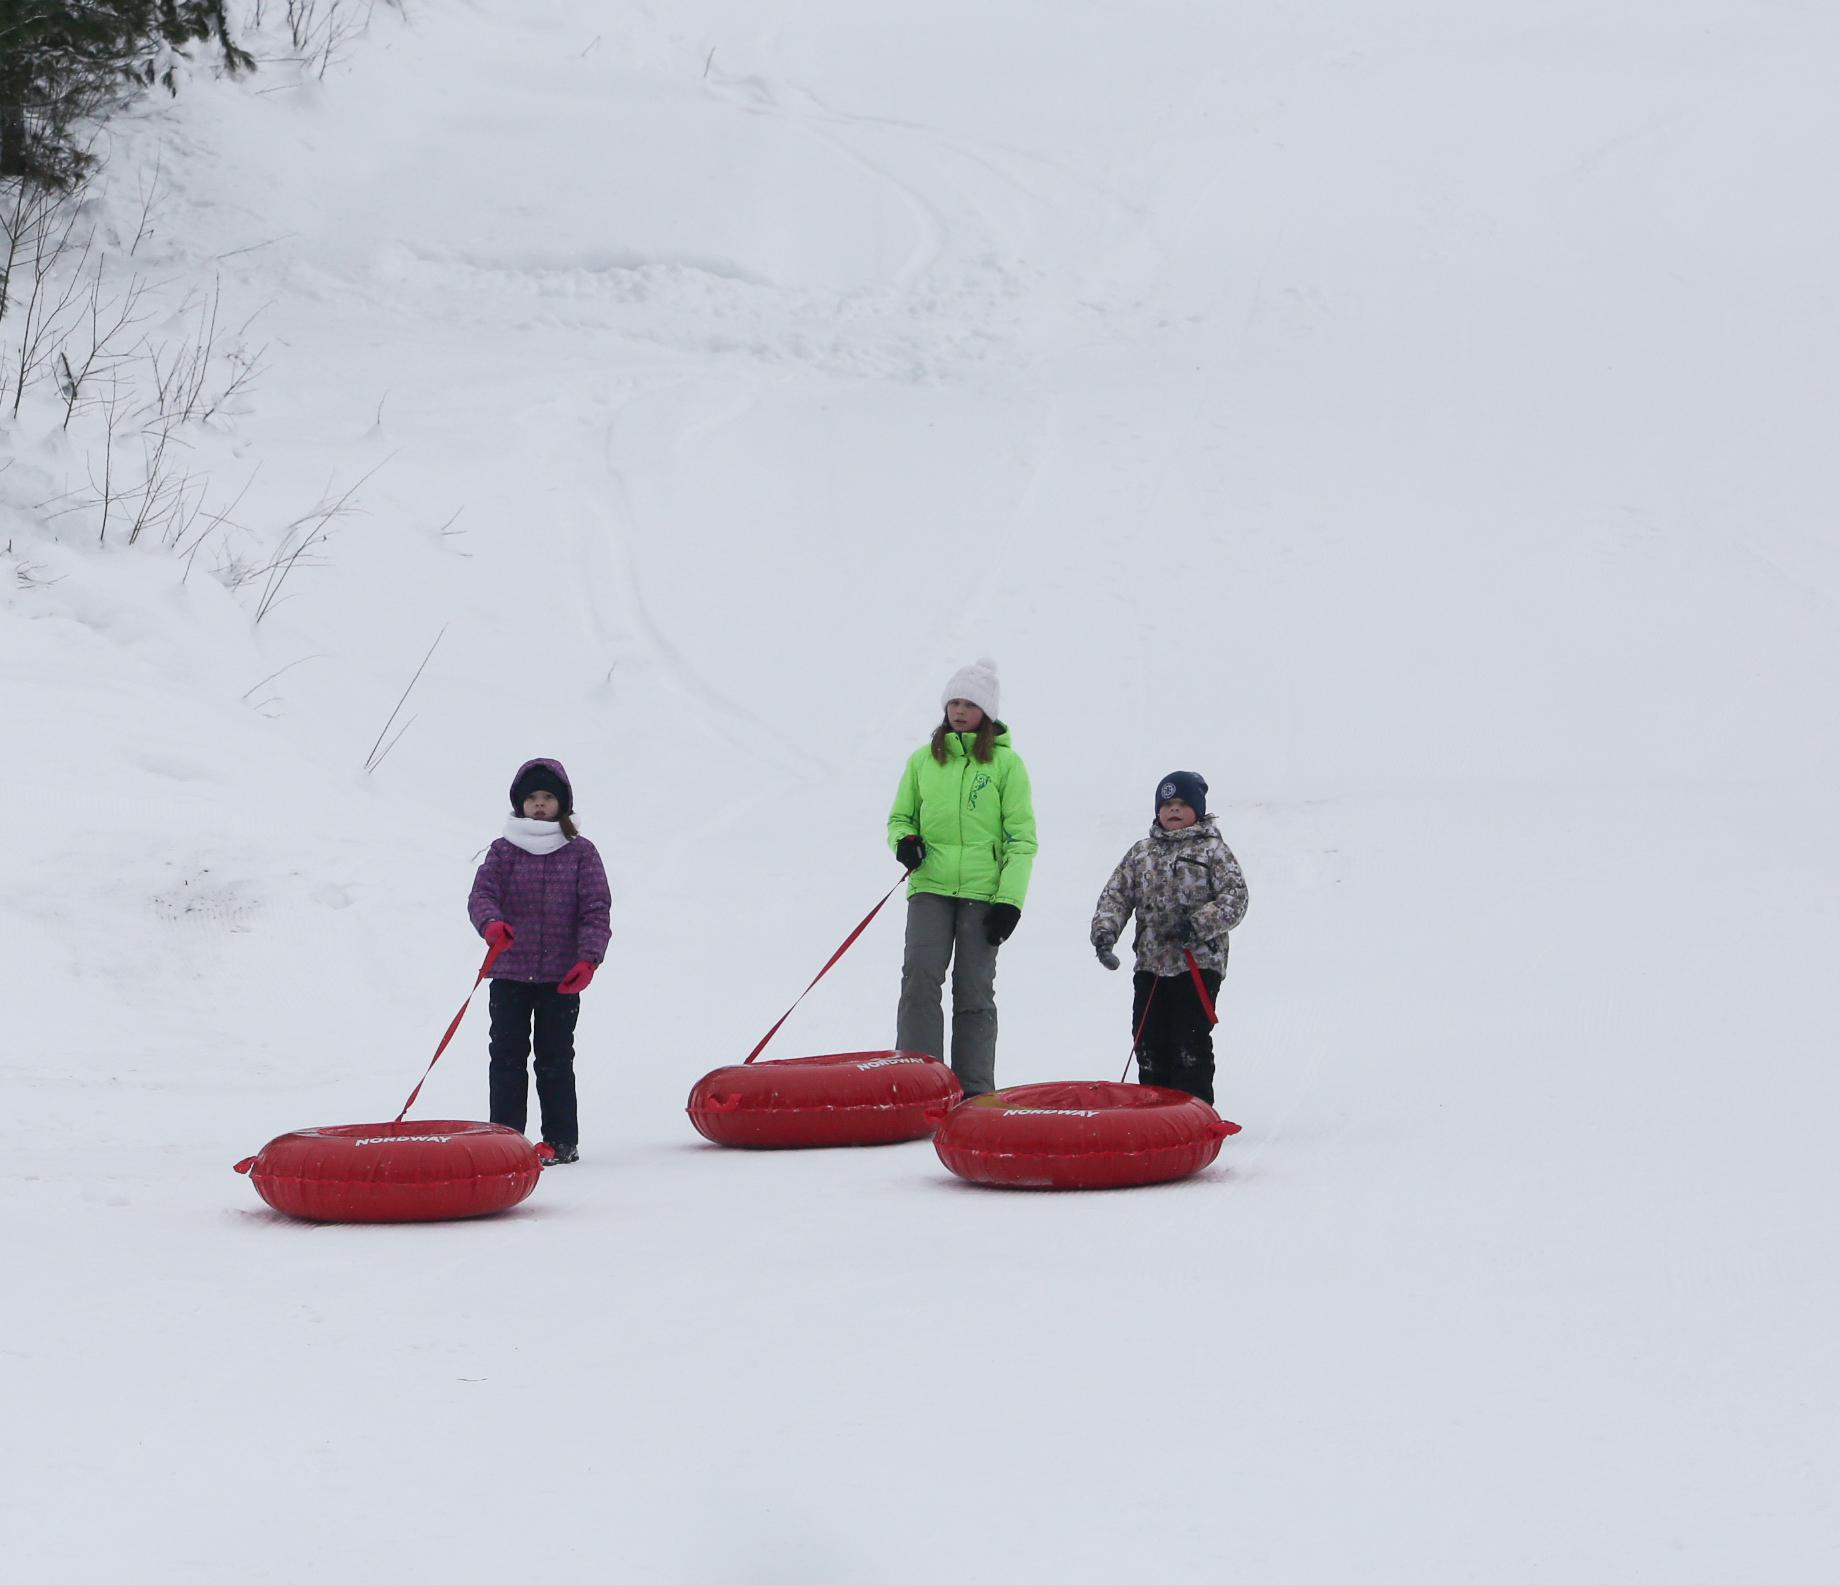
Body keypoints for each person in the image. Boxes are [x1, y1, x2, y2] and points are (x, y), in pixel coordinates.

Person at [887, 659, 1037, 1098]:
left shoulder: (1007, 766)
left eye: (969, 703)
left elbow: (1021, 839)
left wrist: (1010, 900)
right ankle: (918, 1084)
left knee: (973, 990)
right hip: (929, 888)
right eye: (953, 701)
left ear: (985, 711)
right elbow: (900, 817)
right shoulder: (922, 761)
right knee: (919, 978)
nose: (958, 710)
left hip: (983, 894)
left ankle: (973, 1090)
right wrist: (905, 840)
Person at [467, 758, 611, 1163]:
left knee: (555, 1059)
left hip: (561, 978)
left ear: (562, 803)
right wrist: (491, 924)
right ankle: (506, 1141)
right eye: (533, 798)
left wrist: (589, 959)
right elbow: (481, 896)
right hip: (510, 973)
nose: (540, 805)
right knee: (507, 1059)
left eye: (548, 797)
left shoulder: (581, 851)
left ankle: (561, 1141)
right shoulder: (503, 850)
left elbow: (596, 909)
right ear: (520, 804)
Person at [1090, 771, 1247, 1104]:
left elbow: (1236, 896)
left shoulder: (1212, 850)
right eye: (1167, 804)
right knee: (1148, 1040)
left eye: (1181, 804)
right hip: (1150, 963)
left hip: (1197, 963)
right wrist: (1105, 933)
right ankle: (1154, 1112)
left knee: (1189, 1040)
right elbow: (1116, 894)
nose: (1173, 811)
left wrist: (1199, 924)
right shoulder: (1142, 852)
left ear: (1198, 809)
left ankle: (1194, 1111)